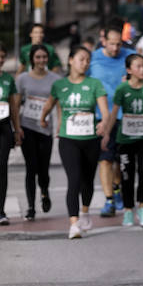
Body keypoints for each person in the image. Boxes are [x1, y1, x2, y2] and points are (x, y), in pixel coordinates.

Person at [40, 46, 109, 239]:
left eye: (88, 60)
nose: (85, 63)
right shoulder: (60, 85)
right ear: (70, 60)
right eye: (81, 59)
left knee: (87, 180)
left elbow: (105, 111)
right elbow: (49, 103)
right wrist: (43, 117)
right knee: (74, 179)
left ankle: (85, 211)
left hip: (90, 139)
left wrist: (104, 123)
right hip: (68, 139)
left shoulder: (95, 84)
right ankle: (73, 223)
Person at [106, 54, 143, 227]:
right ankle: (128, 210)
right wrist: (107, 133)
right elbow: (115, 112)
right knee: (126, 175)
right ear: (129, 70)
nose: (142, 69)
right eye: (138, 66)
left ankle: (142, 207)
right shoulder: (122, 89)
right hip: (126, 139)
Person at [90, 23, 136, 217]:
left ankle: (116, 188)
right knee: (105, 160)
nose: (116, 48)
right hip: (103, 118)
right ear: (103, 41)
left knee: (120, 161)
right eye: (111, 44)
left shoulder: (130, 56)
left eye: (119, 44)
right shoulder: (92, 59)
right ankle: (108, 200)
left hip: (126, 117)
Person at [15, 45, 61, 220]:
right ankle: (31, 207)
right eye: (38, 57)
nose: (41, 61)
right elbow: (16, 104)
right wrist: (17, 128)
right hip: (27, 127)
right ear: (32, 59)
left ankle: (45, 191)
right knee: (30, 168)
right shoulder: (22, 79)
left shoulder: (55, 79)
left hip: (45, 129)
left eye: (44, 57)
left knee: (43, 169)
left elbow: (58, 105)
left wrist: (59, 125)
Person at [0, 43, 22, 225]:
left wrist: (17, 129)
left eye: (2, 56)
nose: (0, 60)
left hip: (4, 129)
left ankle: (0, 211)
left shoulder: (8, 79)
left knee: (2, 169)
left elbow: (14, 107)